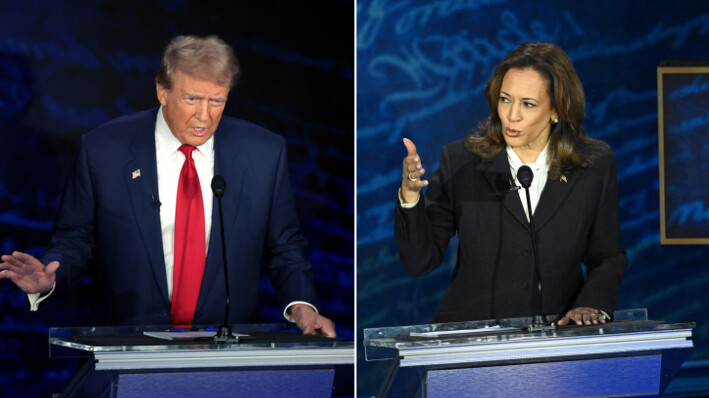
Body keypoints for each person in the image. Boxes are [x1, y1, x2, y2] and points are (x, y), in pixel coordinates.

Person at [0, 35, 335, 337]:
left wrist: (303, 306)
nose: (204, 117)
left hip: (228, 353)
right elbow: (76, 238)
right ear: (162, 91)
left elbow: (285, 246)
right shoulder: (104, 150)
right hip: (129, 348)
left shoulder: (264, 153)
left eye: (216, 101)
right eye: (192, 99)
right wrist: (50, 278)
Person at [395, 42, 628, 327]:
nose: (512, 115)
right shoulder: (461, 161)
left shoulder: (593, 164)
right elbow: (421, 262)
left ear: (557, 110)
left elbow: (607, 255)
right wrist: (410, 196)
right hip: (472, 340)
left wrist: (592, 305)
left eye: (528, 104)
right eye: (505, 99)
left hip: (557, 338)